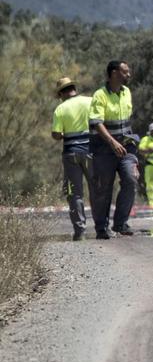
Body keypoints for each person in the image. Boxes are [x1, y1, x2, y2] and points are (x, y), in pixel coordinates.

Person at [88, 60, 141, 238]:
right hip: (104, 149)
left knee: (131, 179)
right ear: (113, 74)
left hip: (126, 147)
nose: (128, 75)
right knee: (103, 189)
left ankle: (120, 223)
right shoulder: (100, 95)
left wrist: (124, 142)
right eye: (125, 72)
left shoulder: (127, 92)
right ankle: (102, 228)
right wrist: (112, 142)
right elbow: (96, 122)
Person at [50, 78, 94, 241]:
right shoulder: (90, 102)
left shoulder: (60, 108)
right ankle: (101, 227)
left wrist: (61, 134)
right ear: (74, 88)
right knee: (96, 189)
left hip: (71, 154)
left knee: (74, 194)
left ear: (61, 93)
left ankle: (80, 230)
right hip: (90, 151)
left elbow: (56, 134)